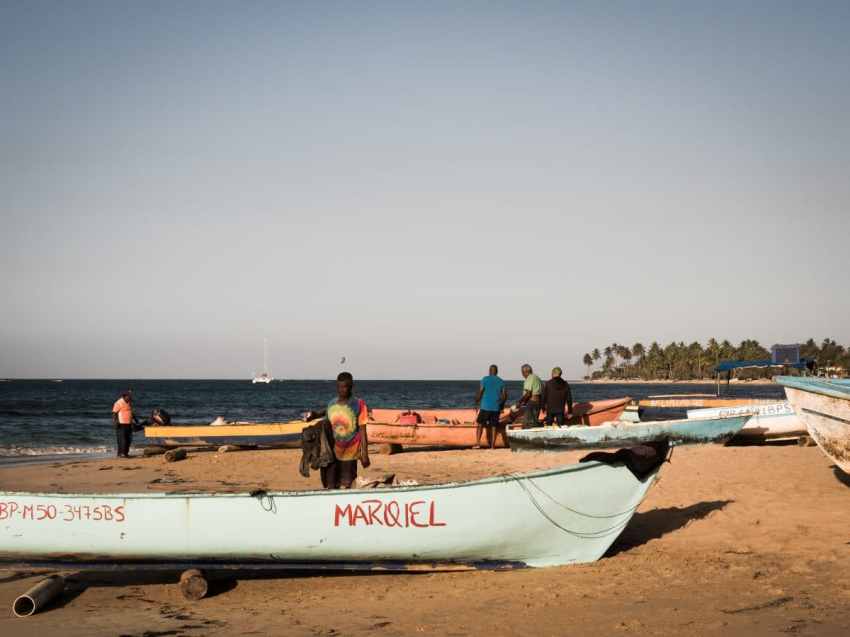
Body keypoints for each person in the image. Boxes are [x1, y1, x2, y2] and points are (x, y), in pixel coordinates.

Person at [320, 371, 371, 489]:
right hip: (333, 453)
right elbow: (326, 423)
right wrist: (313, 415)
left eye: (345, 387)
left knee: (348, 485)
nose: (342, 390)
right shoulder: (331, 404)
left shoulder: (359, 404)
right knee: (331, 485)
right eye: (339, 387)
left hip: (351, 453)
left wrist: (365, 454)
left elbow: (363, 431)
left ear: (351, 386)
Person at [475, 364, 508, 449]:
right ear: (497, 372)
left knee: (480, 424)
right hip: (496, 407)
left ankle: (478, 444)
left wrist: (477, 400)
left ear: (489, 371)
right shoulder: (501, 381)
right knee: (494, 426)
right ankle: (492, 446)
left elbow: (481, 391)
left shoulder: (485, 379)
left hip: (485, 407)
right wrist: (501, 405)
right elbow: (504, 396)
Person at [111, 390, 138, 458]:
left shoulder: (129, 402)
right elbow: (114, 413)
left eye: (130, 396)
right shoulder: (118, 403)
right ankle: (121, 453)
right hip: (121, 424)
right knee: (122, 439)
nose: (130, 398)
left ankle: (125, 453)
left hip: (129, 423)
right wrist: (115, 422)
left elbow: (130, 411)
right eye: (129, 396)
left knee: (129, 439)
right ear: (124, 396)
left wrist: (135, 419)